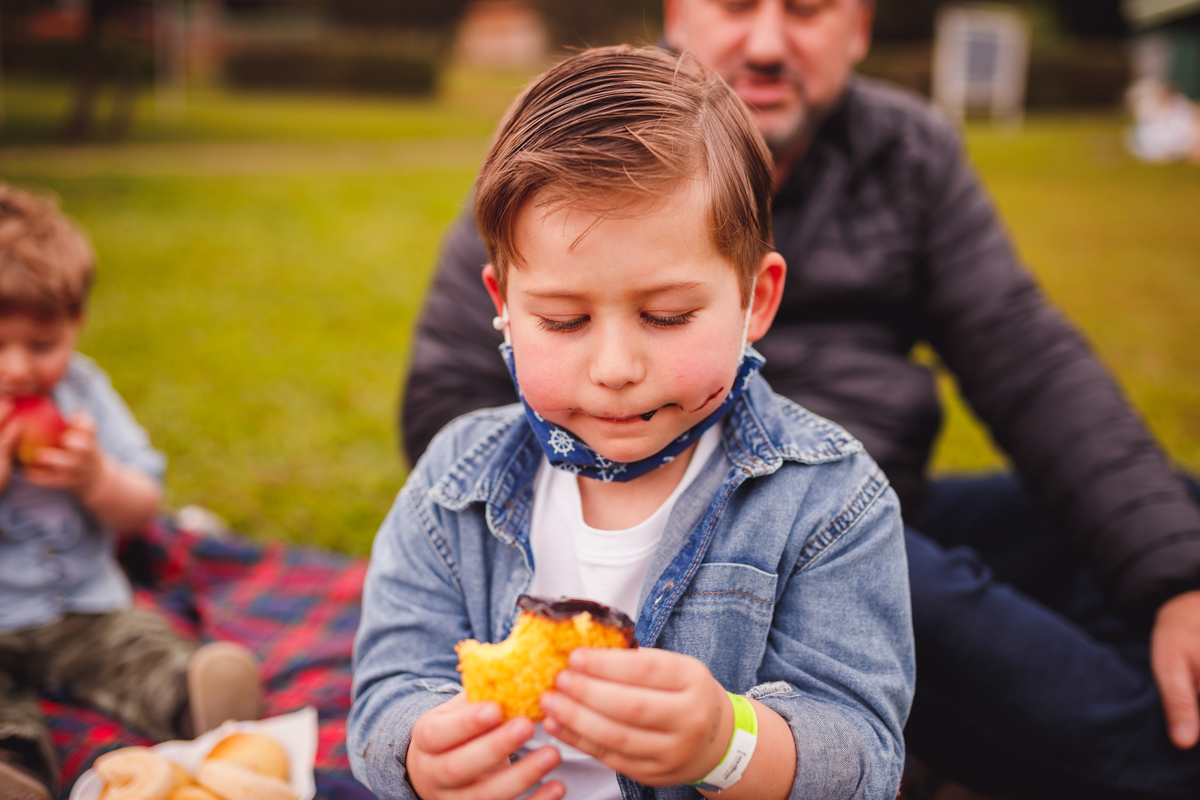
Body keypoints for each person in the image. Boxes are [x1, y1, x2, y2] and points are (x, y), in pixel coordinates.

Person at [399, 1, 1200, 797]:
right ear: (680, 12)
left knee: (1165, 517)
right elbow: (452, 402)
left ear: (859, 28)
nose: (770, 41)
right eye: (739, 5)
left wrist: (1172, 576)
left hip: (866, 509)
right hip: (679, 542)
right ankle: (1159, 762)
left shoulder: (907, 153)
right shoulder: (577, 145)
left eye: (809, 10)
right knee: (912, 586)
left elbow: (1029, 362)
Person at [350, 45, 914, 800]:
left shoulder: (829, 503)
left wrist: (727, 742)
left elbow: (861, 752)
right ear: (505, 308)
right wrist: (423, 755)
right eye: (562, 320)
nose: (615, 366)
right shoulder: (455, 486)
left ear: (757, 301)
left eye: (666, 316)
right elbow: (389, 684)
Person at [0, 184, 262, 800]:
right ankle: (17, 769)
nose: (17, 367)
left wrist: (97, 479)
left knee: (141, 644)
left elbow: (144, 502)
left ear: (75, 325)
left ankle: (198, 704)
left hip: (88, 609)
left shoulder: (84, 394)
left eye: (41, 345)